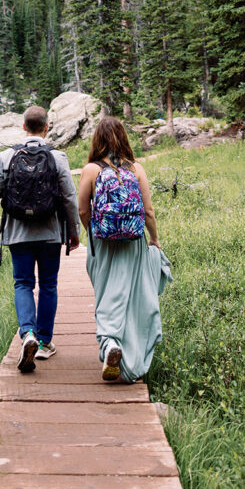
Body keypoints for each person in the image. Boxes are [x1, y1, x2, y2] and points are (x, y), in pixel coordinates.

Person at [78, 116, 172, 383]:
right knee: (132, 296)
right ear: (123, 138)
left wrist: (93, 231)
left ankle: (110, 344)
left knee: (108, 292)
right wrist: (154, 240)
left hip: (104, 243)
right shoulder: (136, 169)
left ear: (97, 139)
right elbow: (149, 211)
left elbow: (83, 209)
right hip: (134, 243)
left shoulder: (91, 170)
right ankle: (130, 350)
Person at [0, 104, 80, 373]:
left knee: (23, 284)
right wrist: (73, 230)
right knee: (48, 285)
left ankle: (26, 333)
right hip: (50, 232)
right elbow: (69, 197)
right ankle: (43, 342)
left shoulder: (7, 156)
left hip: (18, 233)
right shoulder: (58, 157)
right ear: (46, 127)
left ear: (23, 127)